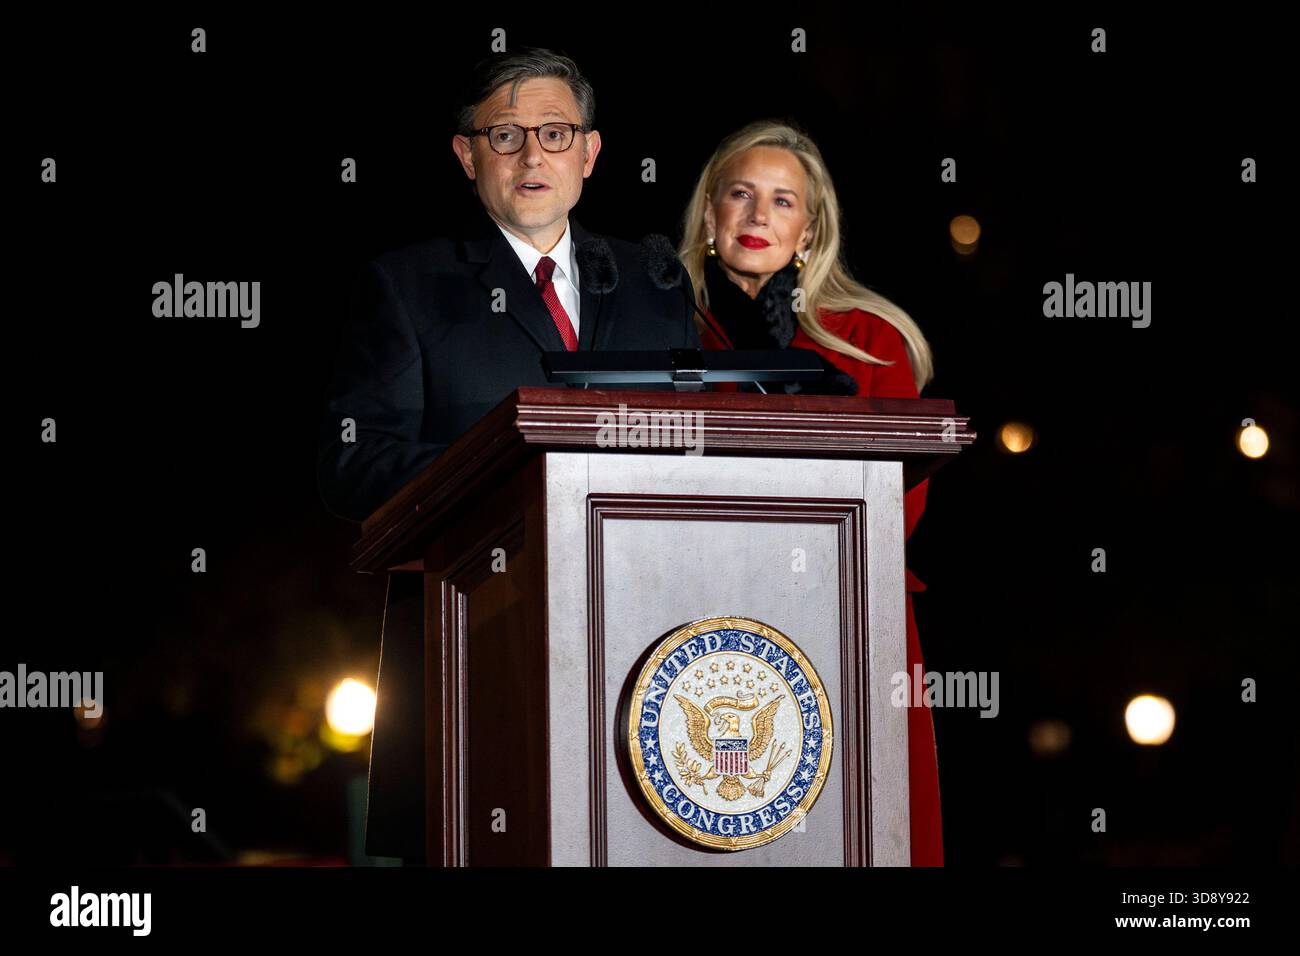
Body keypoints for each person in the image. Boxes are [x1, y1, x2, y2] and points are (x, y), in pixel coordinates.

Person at [316, 49, 700, 862]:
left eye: (555, 132)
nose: (533, 156)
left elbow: (691, 451)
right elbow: (352, 465)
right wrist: (510, 475)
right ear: (466, 155)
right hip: (478, 652)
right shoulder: (406, 285)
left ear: (589, 153)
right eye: (505, 134)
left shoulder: (655, 282)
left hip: (644, 646)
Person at [679, 119, 944, 865]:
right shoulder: (655, 325)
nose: (759, 216)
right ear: (710, 215)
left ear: (810, 228)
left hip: (844, 619)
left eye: (783, 201)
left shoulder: (869, 339)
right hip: (689, 614)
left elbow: (900, 504)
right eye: (741, 194)